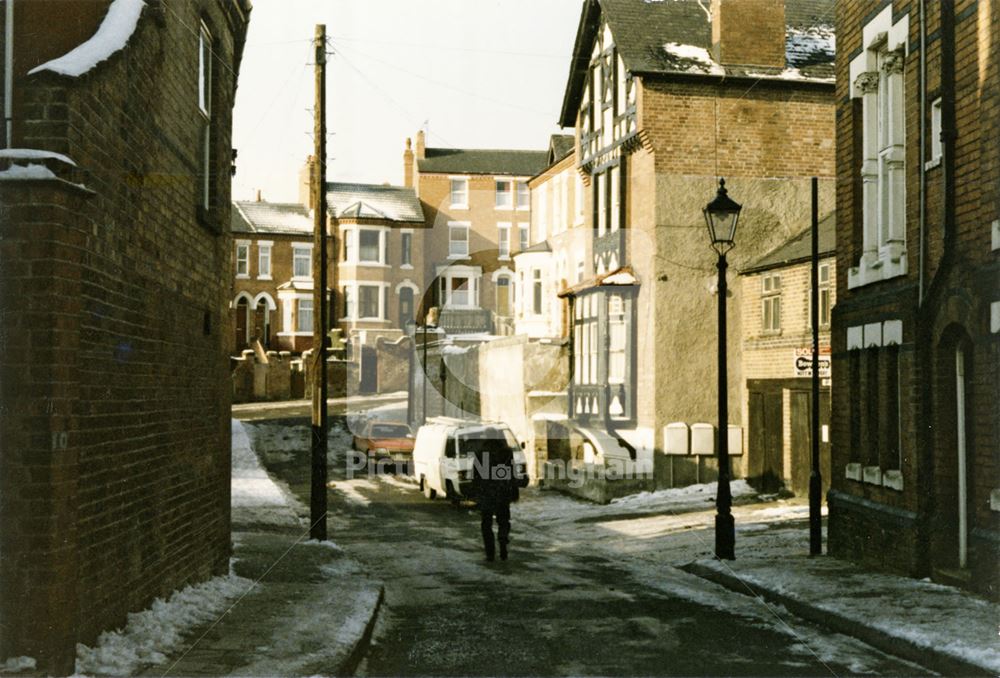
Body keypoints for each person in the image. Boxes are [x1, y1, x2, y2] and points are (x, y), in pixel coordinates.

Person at [473, 437, 519, 561]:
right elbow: (512, 473)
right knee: (503, 521)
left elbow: (475, 475)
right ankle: (503, 542)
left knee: (486, 524)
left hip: (486, 492)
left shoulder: (481, 453)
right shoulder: (506, 453)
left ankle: (490, 553)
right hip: (502, 492)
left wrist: (476, 492)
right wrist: (514, 490)